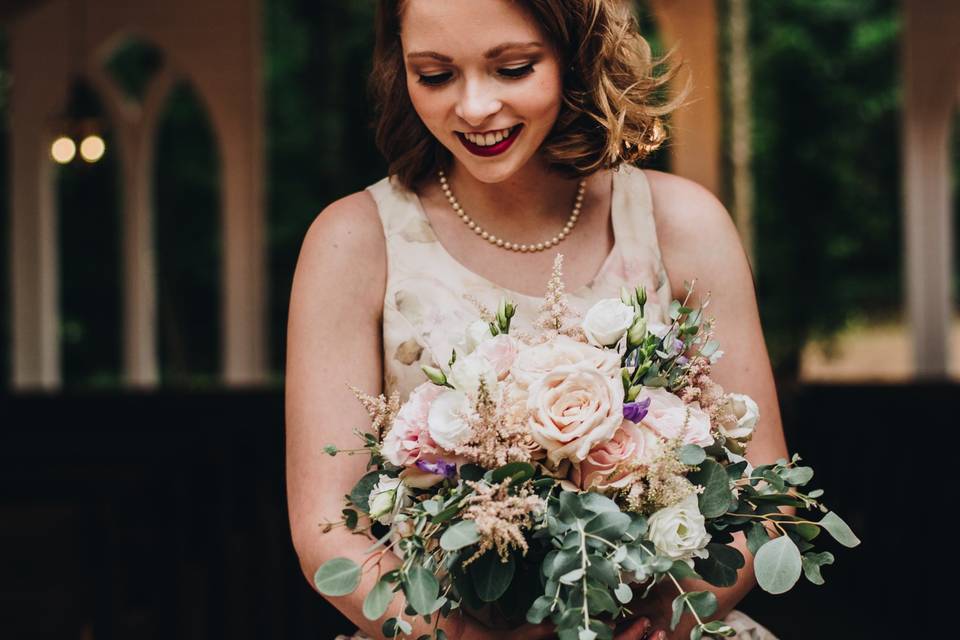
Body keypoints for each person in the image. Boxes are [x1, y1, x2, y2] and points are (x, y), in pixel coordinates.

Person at [286, 1, 788, 638]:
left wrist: (659, 621)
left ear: (578, 53)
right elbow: (327, 530)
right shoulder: (351, 242)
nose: (473, 108)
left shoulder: (683, 224)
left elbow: (761, 495)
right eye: (435, 75)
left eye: (513, 68)